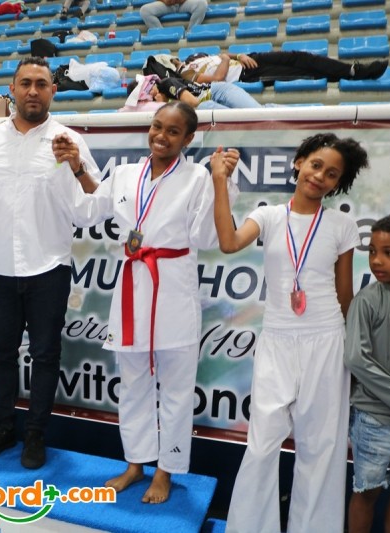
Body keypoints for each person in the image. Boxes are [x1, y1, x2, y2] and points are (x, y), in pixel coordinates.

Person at [72, 102, 239, 504]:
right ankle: (135, 463)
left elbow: (208, 237)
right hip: (132, 285)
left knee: (177, 388)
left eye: (173, 131)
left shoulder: (198, 177)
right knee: (133, 385)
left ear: (189, 138)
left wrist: (222, 181)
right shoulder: (125, 173)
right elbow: (90, 210)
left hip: (174, 287)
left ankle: (166, 470)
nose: (161, 136)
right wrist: (76, 168)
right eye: (157, 126)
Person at [0, 57, 100, 470]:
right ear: (12, 89)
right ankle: (1, 428)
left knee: (45, 356)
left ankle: (36, 434)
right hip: (0, 268)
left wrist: (77, 165)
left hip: (49, 267)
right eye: (25, 83)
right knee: (1, 355)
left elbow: (94, 205)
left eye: (41, 84)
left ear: (53, 91)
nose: (32, 90)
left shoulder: (69, 140)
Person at [213, 134, 369, 533]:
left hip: (328, 339)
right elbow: (228, 243)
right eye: (316, 165)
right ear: (299, 162)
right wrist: (219, 180)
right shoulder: (268, 216)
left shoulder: (341, 225)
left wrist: (353, 354)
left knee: (322, 448)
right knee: (262, 443)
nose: (320, 176)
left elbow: (345, 293)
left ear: (337, 184)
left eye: (331, 174)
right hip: (277, 338)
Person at [344, 214, 390, 533]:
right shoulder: (367, 300)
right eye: (372, 251)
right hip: (375, 419)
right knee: (366, 493)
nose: (377, 260)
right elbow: (356, 359)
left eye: (389, 252)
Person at [178, 51, 389, 86]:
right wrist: (225, 58)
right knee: (303, 73)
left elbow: (225, 54)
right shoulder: (186, 73)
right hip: (246, 74)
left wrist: (238, 55)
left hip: (251, 59)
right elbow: (217, 79)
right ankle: (352, 75)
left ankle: (352, 69)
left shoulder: (199, 56)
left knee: (299, 57)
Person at [140, 0, 209, 31]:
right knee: (145, 10)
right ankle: (161, 33)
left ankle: (191, 31)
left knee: (202, 3)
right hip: (166, 5)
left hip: (185, 3)